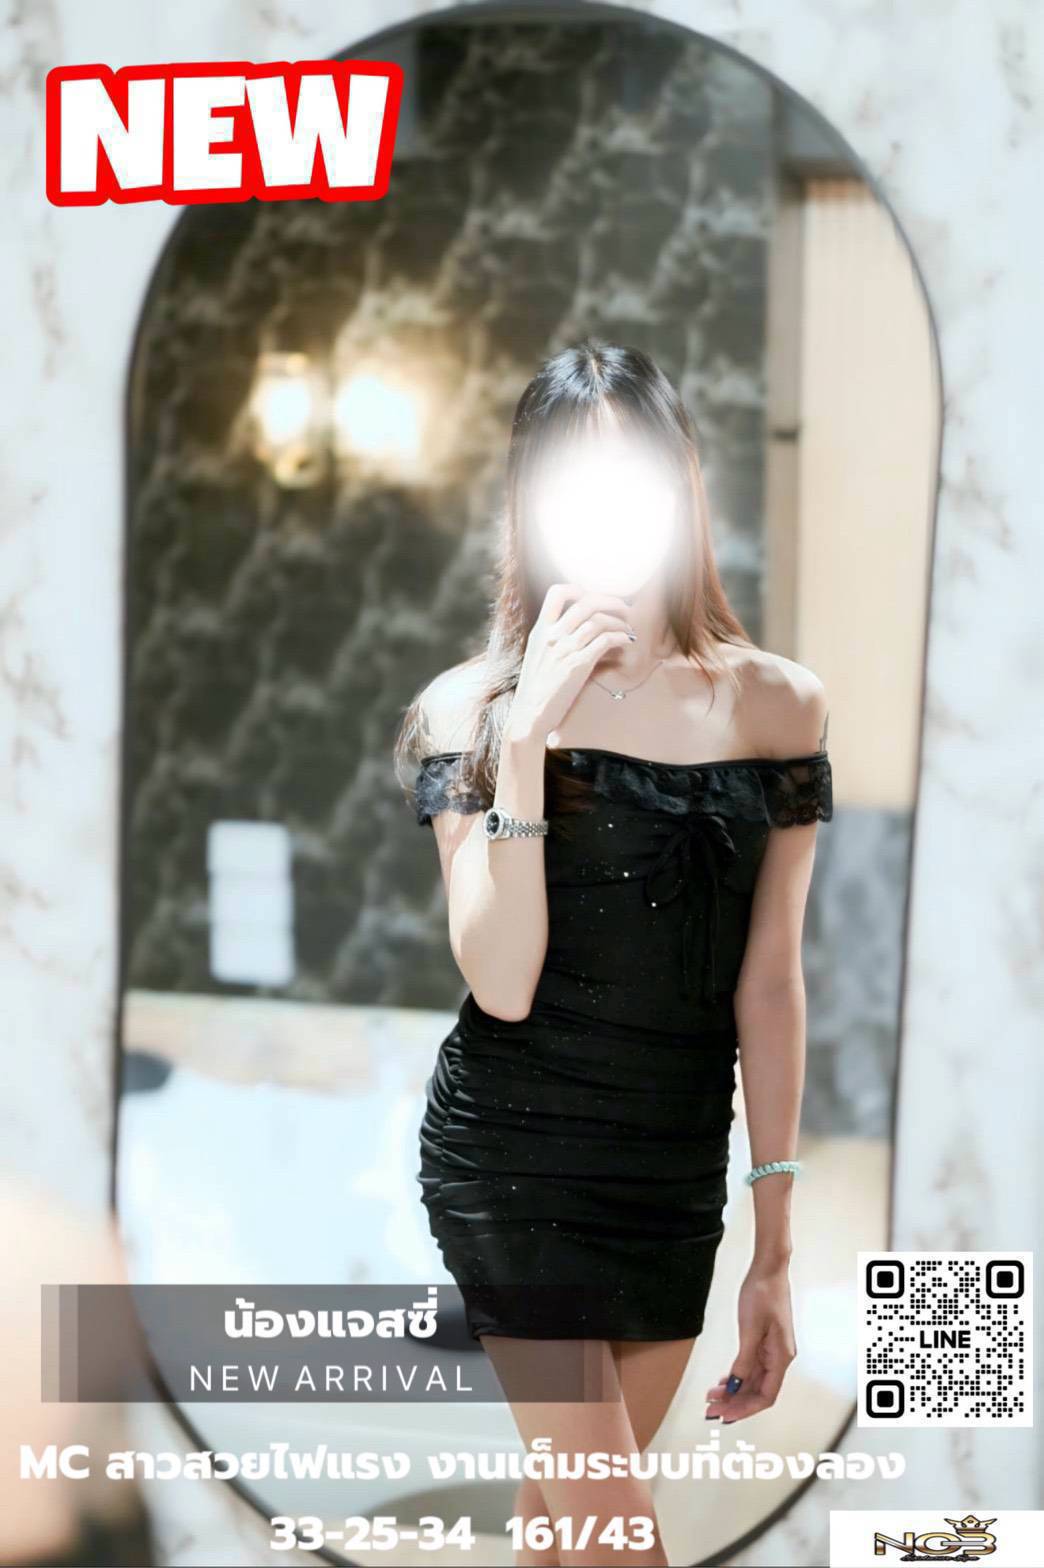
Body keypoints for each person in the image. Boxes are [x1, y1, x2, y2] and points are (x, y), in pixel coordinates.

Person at [395, 341, 832, 1566]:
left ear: (681, 486)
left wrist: (774, 1248)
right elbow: (500, 979)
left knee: (564, 1540)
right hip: (513, 1166)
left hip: (671, 1178)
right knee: (616, 1541)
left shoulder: (779, 705)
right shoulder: (470, 709)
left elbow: (770, 984)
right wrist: (530, 736)